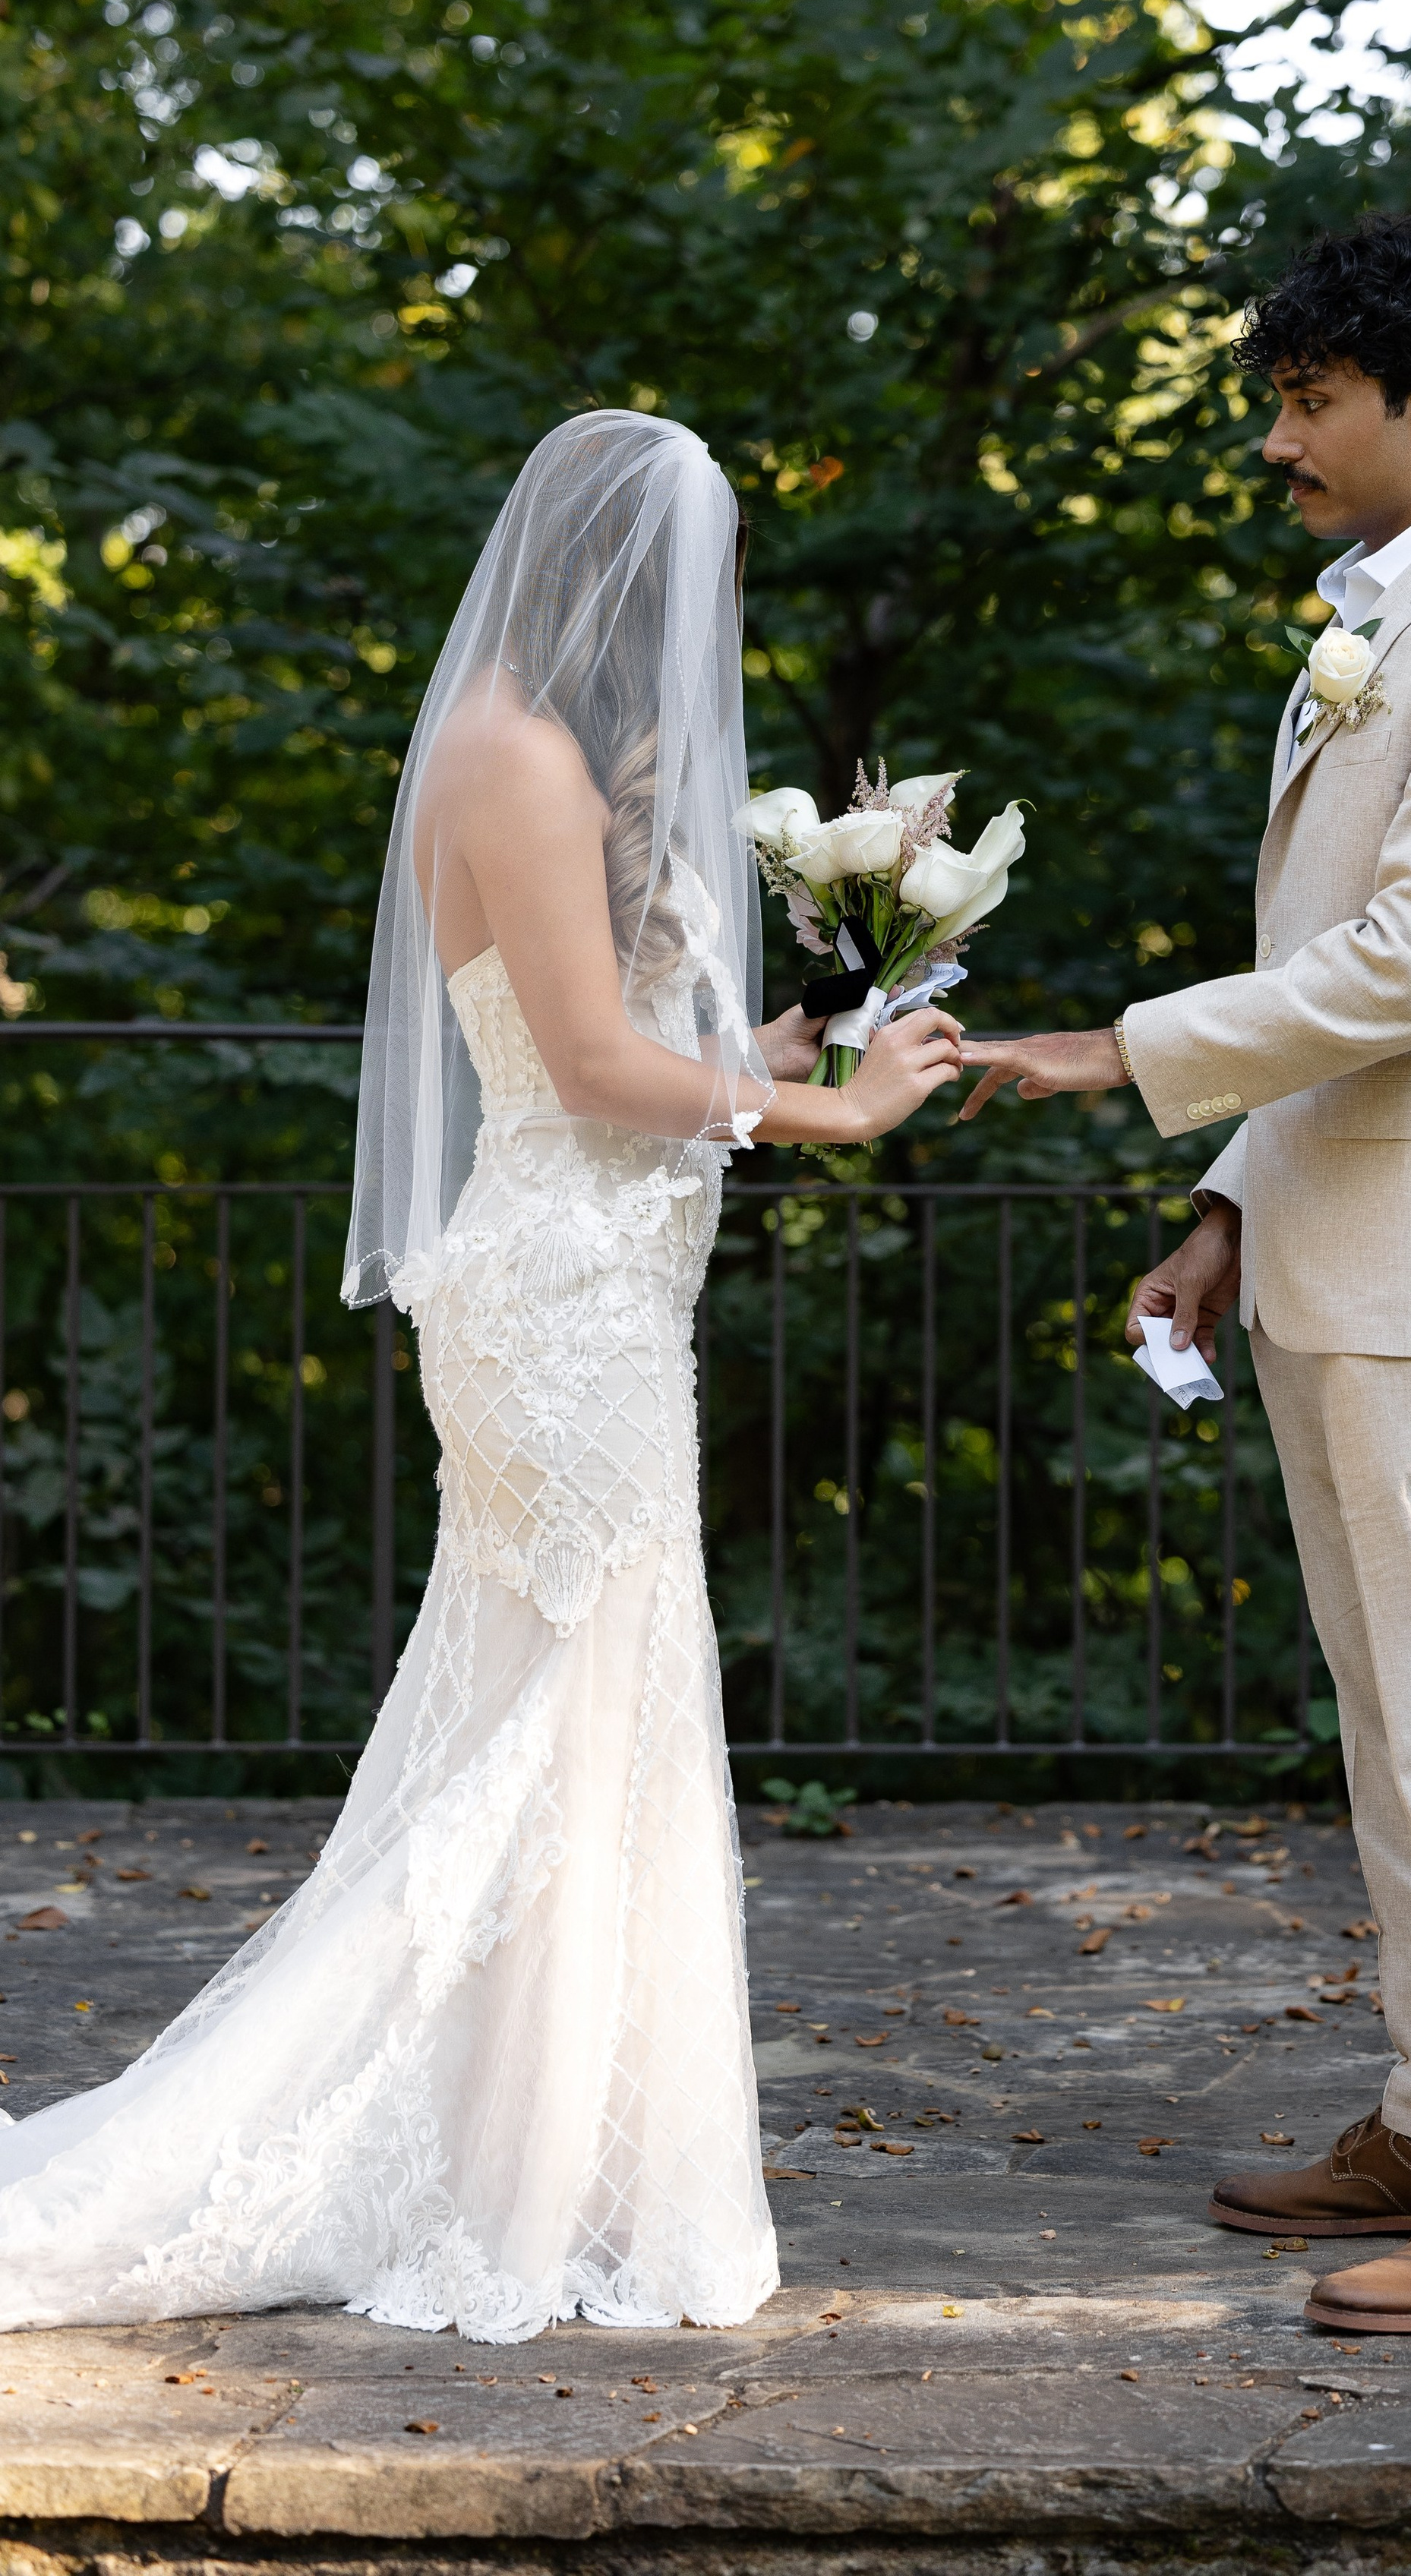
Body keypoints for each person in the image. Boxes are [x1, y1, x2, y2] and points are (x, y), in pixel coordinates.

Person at [0, 411, 960, 2339]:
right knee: (555, 1731)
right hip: (553, 1310)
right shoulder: (514, 751)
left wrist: (808, 1026)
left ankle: (547, 2154)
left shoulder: (549, 756)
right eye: (694, 571)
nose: (715, 609)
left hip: (604, 1295)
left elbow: (607, 1043)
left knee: (577, 1726)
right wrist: (826, 1120)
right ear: (618, 568)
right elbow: (596, 1082)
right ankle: (479, 2171)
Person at [958, 212, 1411, 2337]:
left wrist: (1107, 1055)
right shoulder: (1379, 617)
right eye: (1278, 397)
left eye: (1308, 397)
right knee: (1388, 1726)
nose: (1279, 439)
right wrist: (1233, 1202)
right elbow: (1338, 980)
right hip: (1340, 1246)